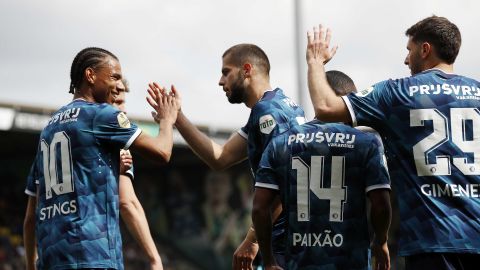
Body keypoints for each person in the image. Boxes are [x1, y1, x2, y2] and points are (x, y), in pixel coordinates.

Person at [306, 16, 480, 269]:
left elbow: (325, 107)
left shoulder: (397, 93)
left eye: (409, 51)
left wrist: (315, 62)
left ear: (425, 49)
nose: (406, 60)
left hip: (433, 240)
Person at [148, 43, 306, 269]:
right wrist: (178, 118)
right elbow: (220, 157)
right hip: (286, 239)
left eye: (225, 72)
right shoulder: (275, 107)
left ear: (247, 69)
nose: (221, 81)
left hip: (287, 242)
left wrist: (252, 241)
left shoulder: (268, 114)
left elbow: (286, 185)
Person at [23, 47, 179, 270]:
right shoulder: (101, 116)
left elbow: (30, 217)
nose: (117, 85)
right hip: (92, 255)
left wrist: (31, 266)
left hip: (51, 260)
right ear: (90, 75)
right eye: (114, 76)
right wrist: (167, 119)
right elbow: (162, 152)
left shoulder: (48, 129)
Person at [252, 70, 391, 270]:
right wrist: (381, 241)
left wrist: (269, 260)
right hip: (351, 263)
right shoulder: (367, 143)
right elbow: (381, 205)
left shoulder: (280, 143)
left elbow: (259, 208)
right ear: (344, 101)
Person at [114, 78, 163, 269]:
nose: (124, 110)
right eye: (117, 102)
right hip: (93, 251)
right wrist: (167, 121)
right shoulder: (116, 141)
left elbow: (31, 217)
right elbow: (128, 202)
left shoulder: (52, 130)